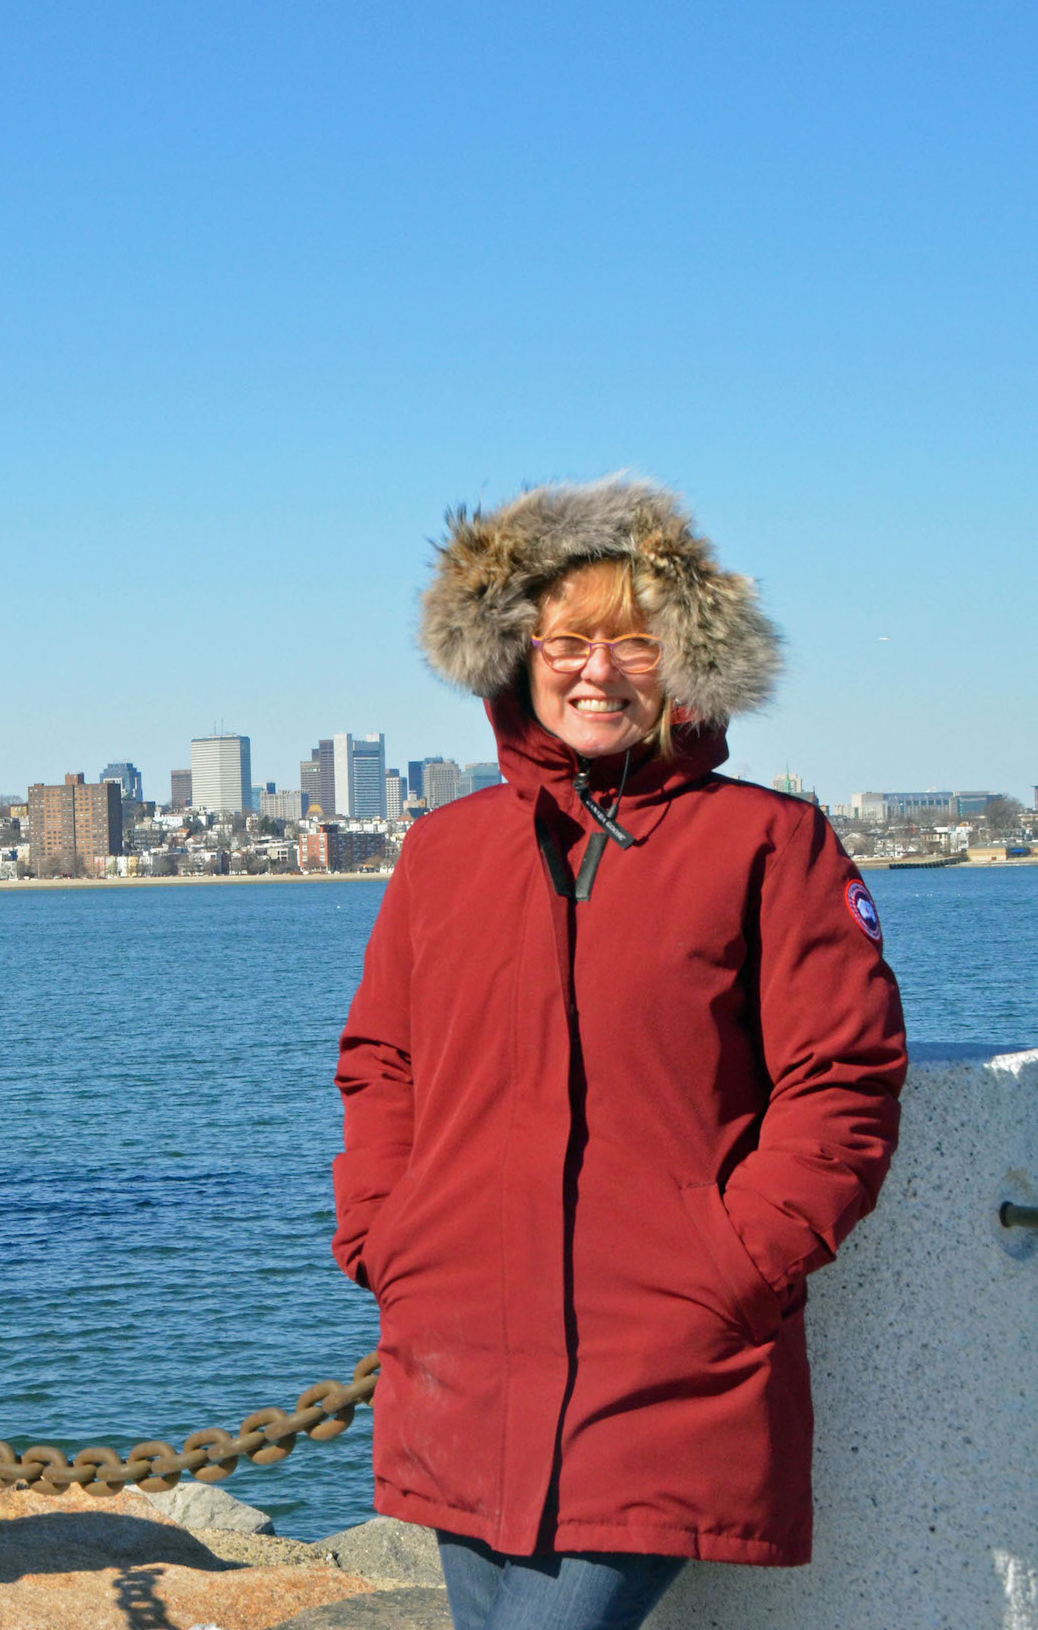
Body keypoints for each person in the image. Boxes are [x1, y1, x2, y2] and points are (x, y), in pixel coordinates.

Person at [330, 477, 906, 1630]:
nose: (597, 670)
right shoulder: (445, 852)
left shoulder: (767, 843)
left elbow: (842, 1078)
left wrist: (734, 1263)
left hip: (665, 1361)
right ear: (515, 656)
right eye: (567, 640)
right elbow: (380, 1061)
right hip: (460, 1349)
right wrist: (386, 1234)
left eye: (632, 641)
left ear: (682, 659)